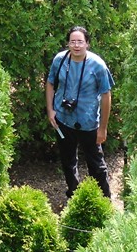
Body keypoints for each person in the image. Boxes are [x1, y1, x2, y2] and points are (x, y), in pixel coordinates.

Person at [45, 26, 113, 199]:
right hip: (62, 120)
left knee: (96, 166)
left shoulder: (97, 65)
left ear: (87, 44)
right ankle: (74, 196)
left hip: (88, 123)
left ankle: (104, 201)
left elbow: (106, 96)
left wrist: (103, 128)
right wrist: (50, 110)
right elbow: (50, 83)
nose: (76, 45)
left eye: (80, 42)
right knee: (68, 162)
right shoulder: (60, 60)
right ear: (68, 43)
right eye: (72, 41)